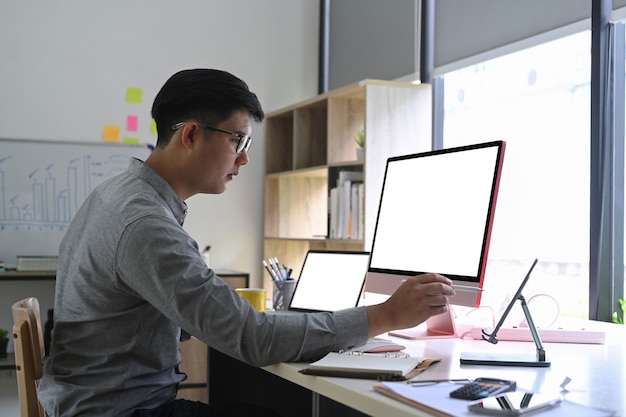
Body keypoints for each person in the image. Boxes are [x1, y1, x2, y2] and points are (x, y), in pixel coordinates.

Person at [38, 68, 455, 417]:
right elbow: (254, 340)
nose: (244, 158)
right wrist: (384, 315)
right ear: (191, 135)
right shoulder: (146, 224)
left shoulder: (116, 196)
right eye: (238, 140)